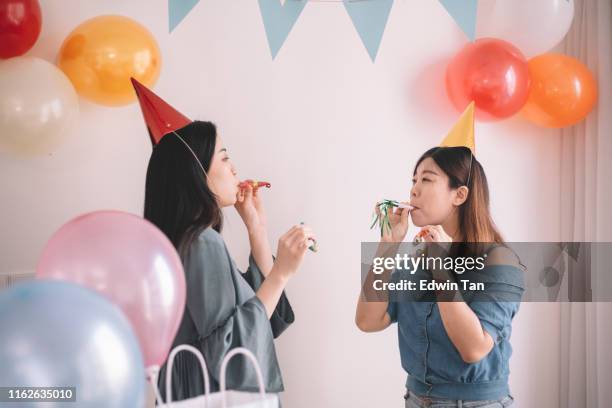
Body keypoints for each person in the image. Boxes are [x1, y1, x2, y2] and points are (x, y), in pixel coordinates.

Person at [143, 120, 315, 403]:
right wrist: (281, 273)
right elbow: (231, 348)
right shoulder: (201, 241)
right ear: (196, 173)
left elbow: (262, 320)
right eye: (224, 158)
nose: (234, 168)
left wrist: (257, 230)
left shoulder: (184, 241)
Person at [355, 146, 524, 408]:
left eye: (426, 179)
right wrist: (387, 247)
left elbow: (474, 349)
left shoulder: (500, 261)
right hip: (416, 400)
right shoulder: (418, 259)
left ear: (460, 194)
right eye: (413, 180)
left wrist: (441, 268)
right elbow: (367, 321)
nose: (413, 190)